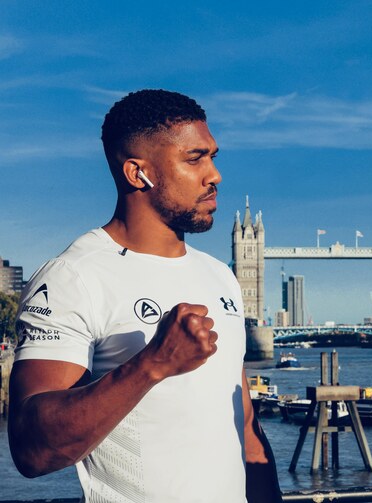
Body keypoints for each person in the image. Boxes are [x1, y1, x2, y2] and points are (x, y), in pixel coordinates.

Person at [8, 89, 282, 503]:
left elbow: (244, 429)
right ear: (138, 173)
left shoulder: (220, 277)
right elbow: (33, 451)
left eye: (213, 156)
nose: (215, 175)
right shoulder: (73, 277)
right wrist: (153, 364)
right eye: (195, 159)